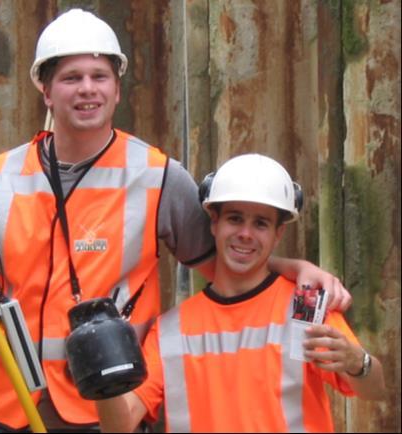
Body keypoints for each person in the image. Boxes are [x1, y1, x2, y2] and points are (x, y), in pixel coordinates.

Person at [0, 9, 349, 432]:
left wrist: (294, 270)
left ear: (117, 87)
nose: (87, 89)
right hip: (5, 405)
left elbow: (229, 267)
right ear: (45, 89)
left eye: (99, 77)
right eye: (71, 78)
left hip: (104, 402)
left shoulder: (158, 176)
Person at [94, 154, 386, 433]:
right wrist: (100, 370)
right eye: (235, 218)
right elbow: (119, 424)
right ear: (214, 222)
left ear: (278, 234)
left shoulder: (304, 308)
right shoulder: (170, 330)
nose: (246, 233)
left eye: (261, 223)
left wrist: (358, 362)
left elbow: (374, 389)